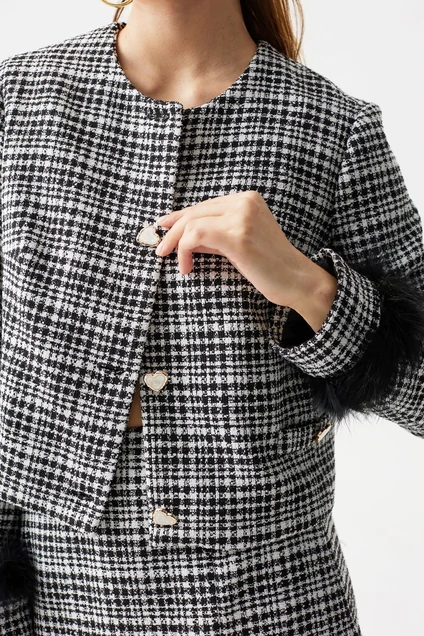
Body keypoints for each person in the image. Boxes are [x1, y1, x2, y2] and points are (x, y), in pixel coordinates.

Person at [0, 0, 423, 634]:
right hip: (70, 608)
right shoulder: (19, 102)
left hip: (279, 610)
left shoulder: (333, 130)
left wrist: (308, 286)